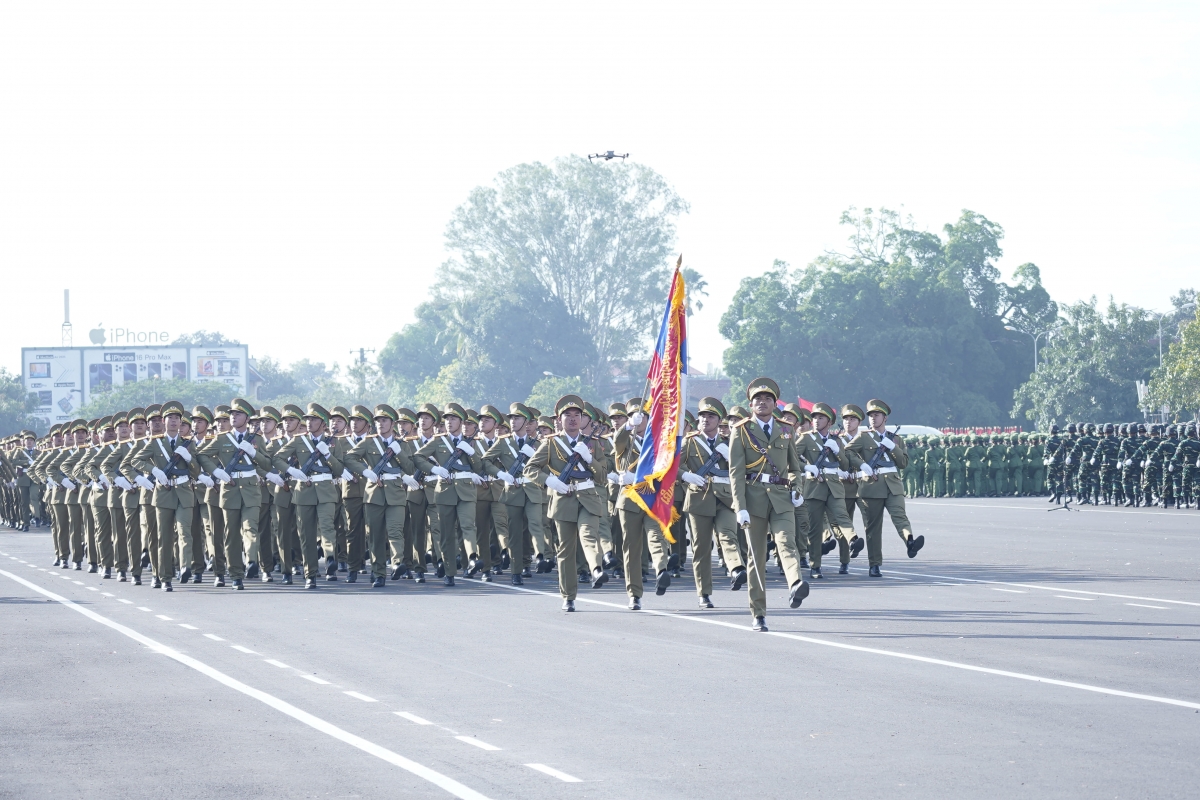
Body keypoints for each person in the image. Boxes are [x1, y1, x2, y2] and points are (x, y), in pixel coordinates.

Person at [728, 378, 811, 632]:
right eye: (757, 399)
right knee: (756, 558)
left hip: (781, 497)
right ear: (751, 404)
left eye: (767, 399)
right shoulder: (741, 430)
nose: (762, 402)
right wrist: (739, 506)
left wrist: (797, 489)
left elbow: (795, 468)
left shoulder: (786, 429)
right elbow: (736, 472)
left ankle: (796, 583)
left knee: (787, 543)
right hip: (752, 499)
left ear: (775, 403)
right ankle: (758, 612)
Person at [523, 394, 608, 611]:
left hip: (588, 498)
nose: (572, 419)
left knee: (588, 536)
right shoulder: (550, 443)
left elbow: (602, 477)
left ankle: (596, 569)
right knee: (566, 550)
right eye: (567, 415)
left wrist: (589, 460)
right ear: (558, 420)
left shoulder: (593, 444)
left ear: (582, 419)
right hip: (563, 500)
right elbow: (530, 469)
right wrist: (549, 480)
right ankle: (568, 595)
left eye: (576, 415)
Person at [196, 397, 280, 589]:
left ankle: (251, 561)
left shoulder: (257, 440)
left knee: (250, 527)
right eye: (232, 414)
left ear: (247, 418)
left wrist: (252, 452)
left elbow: (267, 464)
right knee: (231, 533)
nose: (233, 417)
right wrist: (217, 472)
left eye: (238, 414)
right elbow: (201, 455)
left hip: (251, 488)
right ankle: (235, 574)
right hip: (229, 488)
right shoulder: (221, 438)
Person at [679, 397, 746, 607]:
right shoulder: (689, 441)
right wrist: (685, 476)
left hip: (725, 498)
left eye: (711, 416)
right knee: (701, 548)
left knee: (728, 535)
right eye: (702, 416)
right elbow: (671, 467)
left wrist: (734, 457)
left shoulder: (729, 442)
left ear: (719, 421)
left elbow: (742, 470)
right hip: (699, 498)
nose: (705, 419)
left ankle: (736, 568)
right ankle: (704, 592)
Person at [343, 404, 420, 588]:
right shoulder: (369, 442)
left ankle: (396, 563)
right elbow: (349, 458)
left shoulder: (402, 444)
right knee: (375, 536)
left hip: (395, 493)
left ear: (392, 423)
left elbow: (410, 468)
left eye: (384, 420)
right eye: (378, 421)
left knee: (395, 531)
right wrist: (366, 472)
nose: (380, 424)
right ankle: (378, 573)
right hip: (374, 494)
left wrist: (399, 452)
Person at [271, 403, 345, 589]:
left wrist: (328, 455)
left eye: (314, 419)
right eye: (308, 419)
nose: (309, 422)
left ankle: (329, 558)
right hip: (304, 490)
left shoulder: (334, 442)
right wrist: (292, 471)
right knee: (306, 534)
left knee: (328, 527)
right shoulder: (298, 440)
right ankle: (310, 573)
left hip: (327, 490)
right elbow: (277, 458)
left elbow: (340, 470)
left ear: (323, 423)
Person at [846, 399, 923, 576]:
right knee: (873, 527)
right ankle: (874, 564)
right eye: (871, 416)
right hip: (871, 487)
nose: (873, 418)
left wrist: (893, 447)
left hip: (893, 485)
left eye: (877, 415)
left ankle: (909, 541)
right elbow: (847, 451)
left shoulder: (895, 439)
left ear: (885, 418)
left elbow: (903, 462)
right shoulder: (863, 437)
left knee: (900, 516)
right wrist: (862, 465)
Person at [130, 401, 201, 592]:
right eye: (170, 418)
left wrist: (188, 458)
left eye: (177, 419)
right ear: (164, 421)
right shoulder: (156, 443)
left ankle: (185, 566)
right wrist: (153, 470)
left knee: (184, 531)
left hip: (185, 492)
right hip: (163, 493)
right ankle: (163, 576)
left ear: (180, 422)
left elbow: (196, 470)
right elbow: (136, 460)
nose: (173, 421)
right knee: (164, 538)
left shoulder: (188, 444)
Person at [412, 403, 484, 586]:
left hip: (466, 490)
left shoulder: (471, 442)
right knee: (446, 533)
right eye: (447, 419)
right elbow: (418, 458)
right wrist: (434, 469)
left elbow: (479, 468)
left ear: (461, 421)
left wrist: (472, 454)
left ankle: (473, 557)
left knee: (468, 525)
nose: (449, 422)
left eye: (453, 419)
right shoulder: (438, 441)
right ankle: (450, 571)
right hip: (444, 490)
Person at [481, 402, 542, 586]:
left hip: (532, 490)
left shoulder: (538, 443)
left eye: (517, 418)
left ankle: (540, 556)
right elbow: (485, 461)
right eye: (512, 418)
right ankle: (516, 571)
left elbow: (548, 465)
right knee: (514, 534)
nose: (513, 421)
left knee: (535, 524)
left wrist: (534, 457)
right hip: (513, 491)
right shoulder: (503, 442)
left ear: (526, 421)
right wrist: (500, 474)